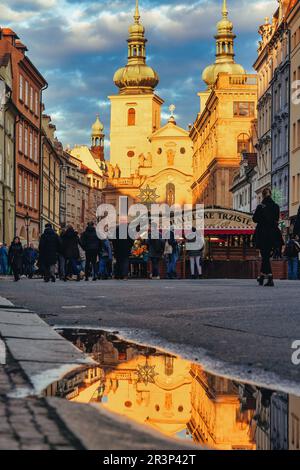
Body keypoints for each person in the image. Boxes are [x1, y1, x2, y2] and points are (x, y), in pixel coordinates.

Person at [253, 188, 283, 287]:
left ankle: (270, 277)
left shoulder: (260, 206)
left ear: (263, 195)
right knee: (266, 255)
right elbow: (276, 219)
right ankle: (261, 276)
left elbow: (255, 219)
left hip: (262, 233)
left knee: (265, 255)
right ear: (271, 194)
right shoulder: (276, 206)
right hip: (273, 233)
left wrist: (262, 219)